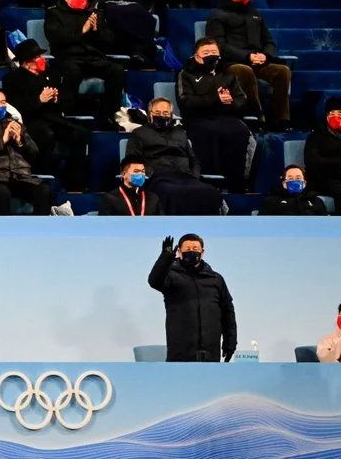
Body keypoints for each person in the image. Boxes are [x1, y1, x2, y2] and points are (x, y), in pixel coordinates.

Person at [2, 39, 90, 192]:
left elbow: (65, 102)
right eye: (36, 58)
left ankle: (76, 184)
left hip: (55, 119)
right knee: (45, 136)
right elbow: (15, 107)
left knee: (79, 134)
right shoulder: (12, 80)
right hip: (32, 121)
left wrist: (57, 99)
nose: (41, 60)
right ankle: (44, 181)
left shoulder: (51, 74)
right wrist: (39, 100)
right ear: (26, 63)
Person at [206, 0, 291, 131]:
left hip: (258, 61)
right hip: (231, 62)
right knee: (244, 70)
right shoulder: (218, 15)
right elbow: (219, 46)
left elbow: (269, 41)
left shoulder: (256, 14)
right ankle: (255, 116)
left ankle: (280, 120)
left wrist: (265, 55)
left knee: (282, 71)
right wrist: (247, 56)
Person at [45, 0, 126, 128]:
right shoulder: (54, 14)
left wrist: (96, 31)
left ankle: (108, 115)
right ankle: (67, 114)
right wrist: (81, 31)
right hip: (68, 57)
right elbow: (56, 37)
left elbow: (109, 40)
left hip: (93, 57)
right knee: (72, 71)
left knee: (117, 71)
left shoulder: (94, 13)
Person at [177, 37, 253, 193]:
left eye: (214, 52)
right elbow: (185, 101)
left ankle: (237, 183)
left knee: (241, 131)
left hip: (227, 117)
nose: (211, 55)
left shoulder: (228, 74)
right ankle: (210, 181)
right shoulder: (186, 74)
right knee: (209, 133)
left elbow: (242, 100)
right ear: (196, 57)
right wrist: (215, 99)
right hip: (198, 118)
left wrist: (230, 102)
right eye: (206, 53)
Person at [148, 234, 237, 362]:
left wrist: (230, 340)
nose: (191, 252)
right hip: (180, 354)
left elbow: (227, 311)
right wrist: (165, 257)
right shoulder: (171, 276)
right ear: (179, 252)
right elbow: (154, 281)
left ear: (202, 252)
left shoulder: (215, 279)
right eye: (187, 249)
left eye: (195, 249)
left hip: (211, 353)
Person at [125, 97, 223, 215]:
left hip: (185, 177)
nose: (162, 115)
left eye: (166, 113)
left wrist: (194, 176)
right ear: (150, 114)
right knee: (170, 192)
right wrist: (149, 173)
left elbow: (194, 160)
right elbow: (132, 160)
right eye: (157, 113)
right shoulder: (139, 133)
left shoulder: (180, 133)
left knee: (210, 192)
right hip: (158, 178)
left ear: (171, 115)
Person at [75, 0, 157, 67]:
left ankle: (141, 54)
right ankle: (136, 52)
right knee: (119, 13)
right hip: (101, 0)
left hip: (127, 0)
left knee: (145, 15)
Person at [99, 155, 163, 215]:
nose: (140, 175)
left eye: (143, 171)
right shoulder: (110, 199)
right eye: (136, 171)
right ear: (124, 174)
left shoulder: (153, 199)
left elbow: (161, 224)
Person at [258, 164, 328, 216]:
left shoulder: (316, 201)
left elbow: (326, 225)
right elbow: (261, 224)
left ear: (304, 183)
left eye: (298, 178)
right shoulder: (271, 201)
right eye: (290, 178)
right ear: (284, 184)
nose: (294, 181)